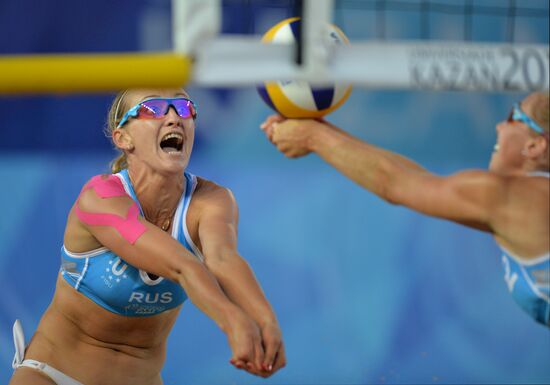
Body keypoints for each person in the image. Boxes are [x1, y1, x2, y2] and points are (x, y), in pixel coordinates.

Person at [10, 89, 286, 385]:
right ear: (123, 139)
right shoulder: (100, 196)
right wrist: (234, 323)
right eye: (153, 109)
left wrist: (267, 322)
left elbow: (223, 259)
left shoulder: (213, 201)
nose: (173, 117)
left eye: (183, 107)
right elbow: (183, 266)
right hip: (53, 374)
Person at [261, 91, 549, 326]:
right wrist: (318, 130)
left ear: (536, 145)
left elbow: (394, 183)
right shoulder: (521, 200)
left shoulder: (517, 199)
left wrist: (312, 137)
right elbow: (418, 182)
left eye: (513, 117)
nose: (500, 125)